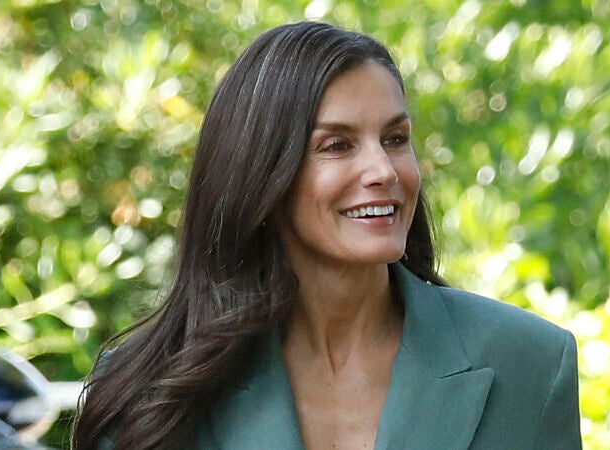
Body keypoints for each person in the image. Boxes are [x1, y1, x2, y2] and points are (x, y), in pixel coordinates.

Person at [73, 22, 581, 450]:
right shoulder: (147, 393)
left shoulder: (530, 363)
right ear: (260, 174)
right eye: (337, 145)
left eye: (395, 139)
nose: (383, 170)